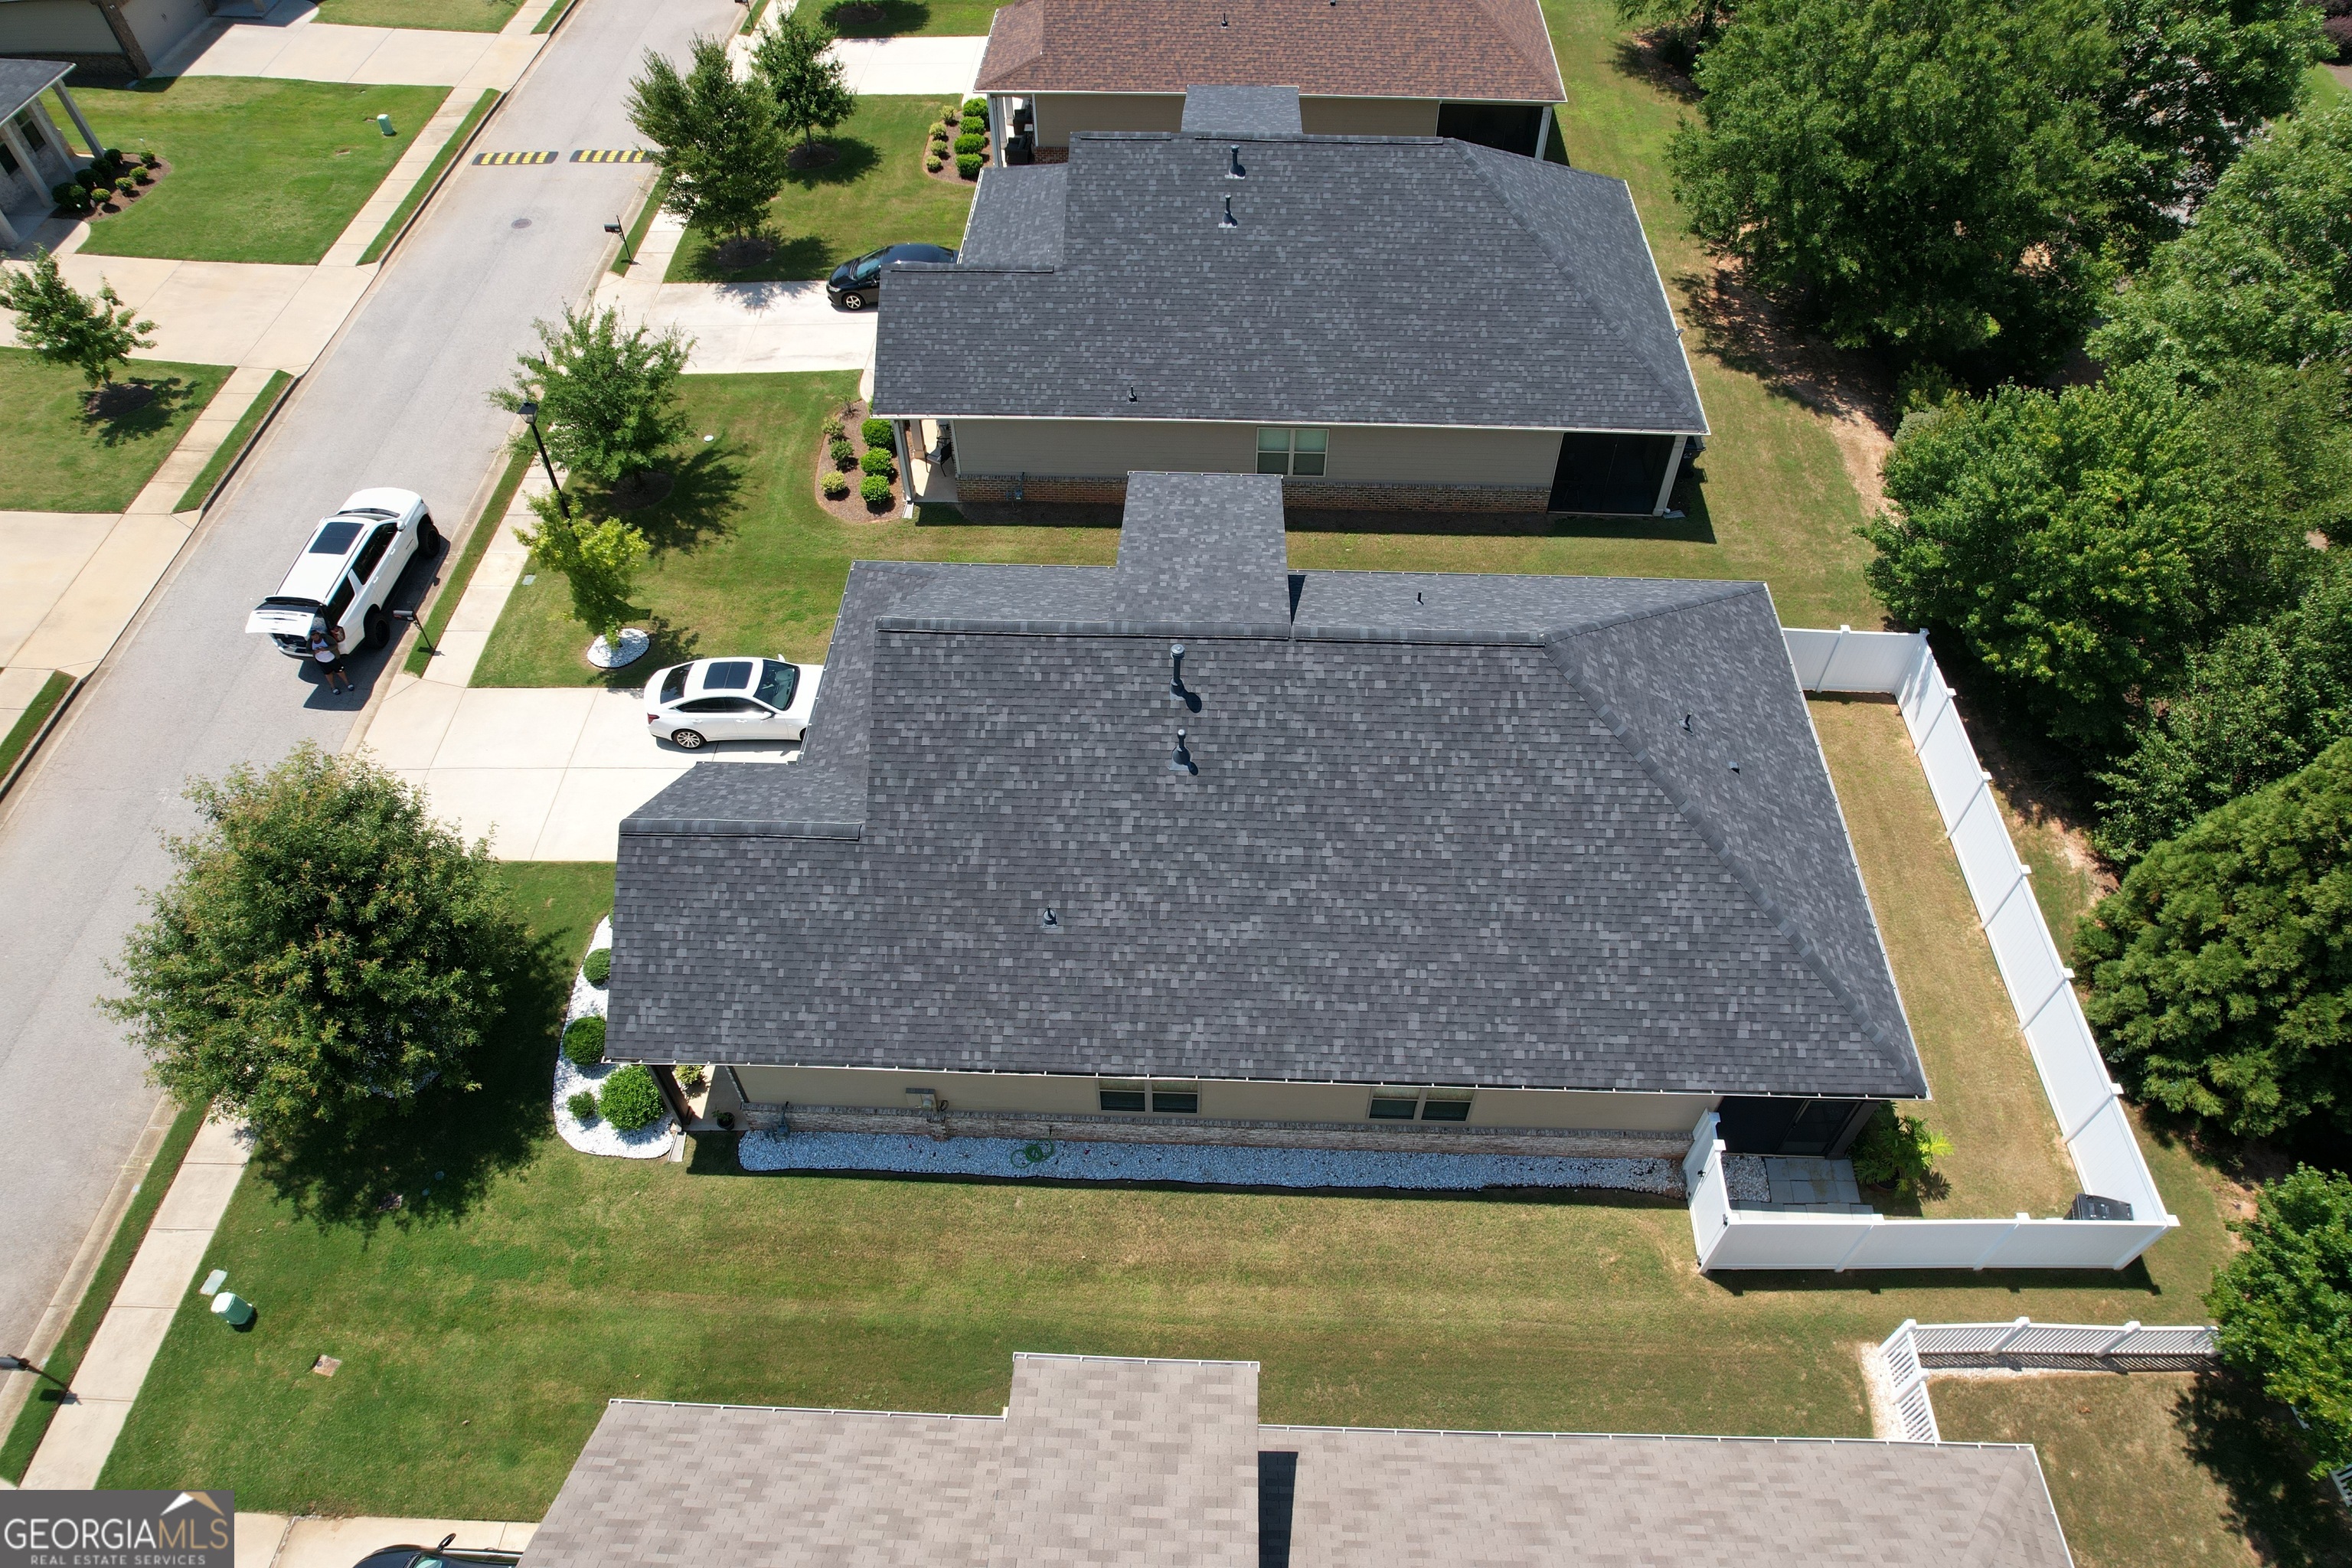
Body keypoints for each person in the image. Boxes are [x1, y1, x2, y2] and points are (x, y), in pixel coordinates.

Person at [308, 617, 352, 694]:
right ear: (311, 637)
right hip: (322, 662)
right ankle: (333, 687)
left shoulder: (326, 638)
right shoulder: (310, 642)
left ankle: (348, 684)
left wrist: (325, 649)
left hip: (333, 659)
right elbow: (308, 651)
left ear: (319, 634)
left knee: (340, 671)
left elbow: (335, 645)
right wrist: (314, 651)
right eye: (313, 636)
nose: (315, 637)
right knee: (328, 674)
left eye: (316, 635)